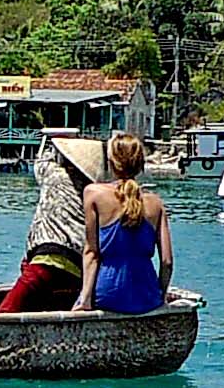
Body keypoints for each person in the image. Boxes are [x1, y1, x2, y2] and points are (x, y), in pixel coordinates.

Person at [0, 135, 105, 311]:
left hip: (47, 260)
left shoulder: (56, 176)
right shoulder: (96, 192)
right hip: (78, 269)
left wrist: (53, 136)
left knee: (5, 312)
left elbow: (42, 161)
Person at [72, 132, 172, 314]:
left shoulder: (93, 193)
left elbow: (91, 253)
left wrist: (85, 299)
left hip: (108, 294)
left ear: (111, 163)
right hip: (147, 297)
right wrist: (160, 296)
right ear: (141, 164)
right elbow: (166, 262)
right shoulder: (156, 203)